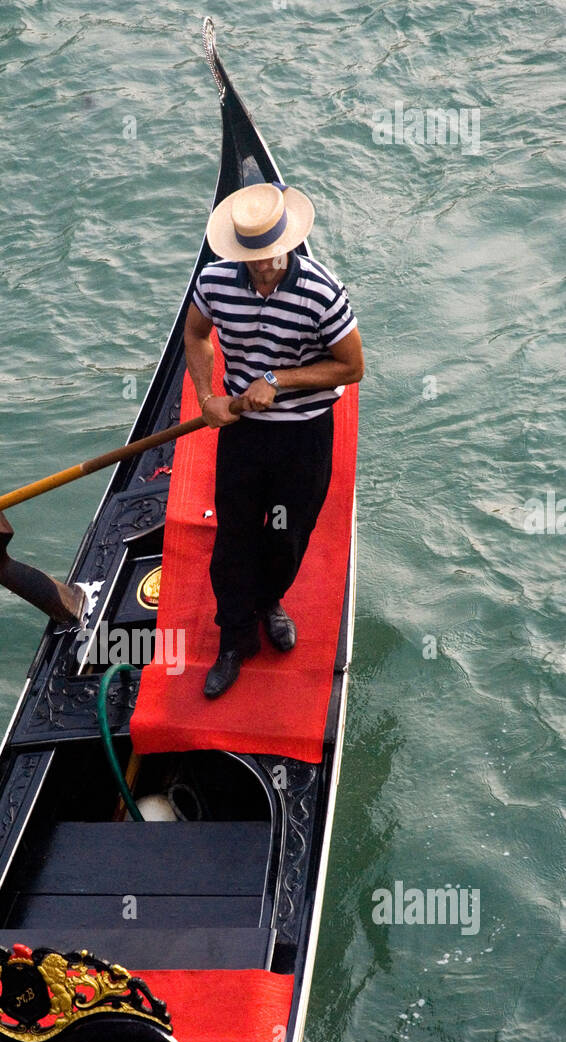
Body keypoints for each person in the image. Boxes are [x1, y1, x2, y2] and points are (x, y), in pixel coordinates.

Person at [183, 179, 365, 698]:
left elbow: (351, 368)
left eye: (272, 255)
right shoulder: (215, 282)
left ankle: (269, 600)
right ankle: (235, 636)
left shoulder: (323, 291)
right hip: (244, 437)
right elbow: (196, 335)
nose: (264, 267)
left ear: (289, 241)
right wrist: (206, 396)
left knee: (287, 535)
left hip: (303, 438)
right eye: (253, 257)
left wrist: (279, 379)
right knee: (235, 536)